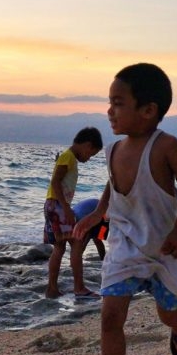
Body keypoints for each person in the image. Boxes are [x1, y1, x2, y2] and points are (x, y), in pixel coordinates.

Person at [73, 63, 177, 355]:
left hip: (163, 250)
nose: (109, 111)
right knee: (111, 317)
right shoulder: (114, 150)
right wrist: (97, 213)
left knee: (168, 315)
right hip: (124, 247)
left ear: (148, 111)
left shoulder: (167, 147)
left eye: (118, 103)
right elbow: (113, 187)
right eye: (109, 102)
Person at [44, 126, 103, 298]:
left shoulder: (67, 157)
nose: (89, 159)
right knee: (76, 245)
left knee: (59, 248)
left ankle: (52, 289)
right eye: (91, 154)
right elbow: (55, 182)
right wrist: (67, 208)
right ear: (87, 145)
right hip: (58, 206)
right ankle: (79, 288)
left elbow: (98, 237)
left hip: (52, 205)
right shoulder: (68, 157)